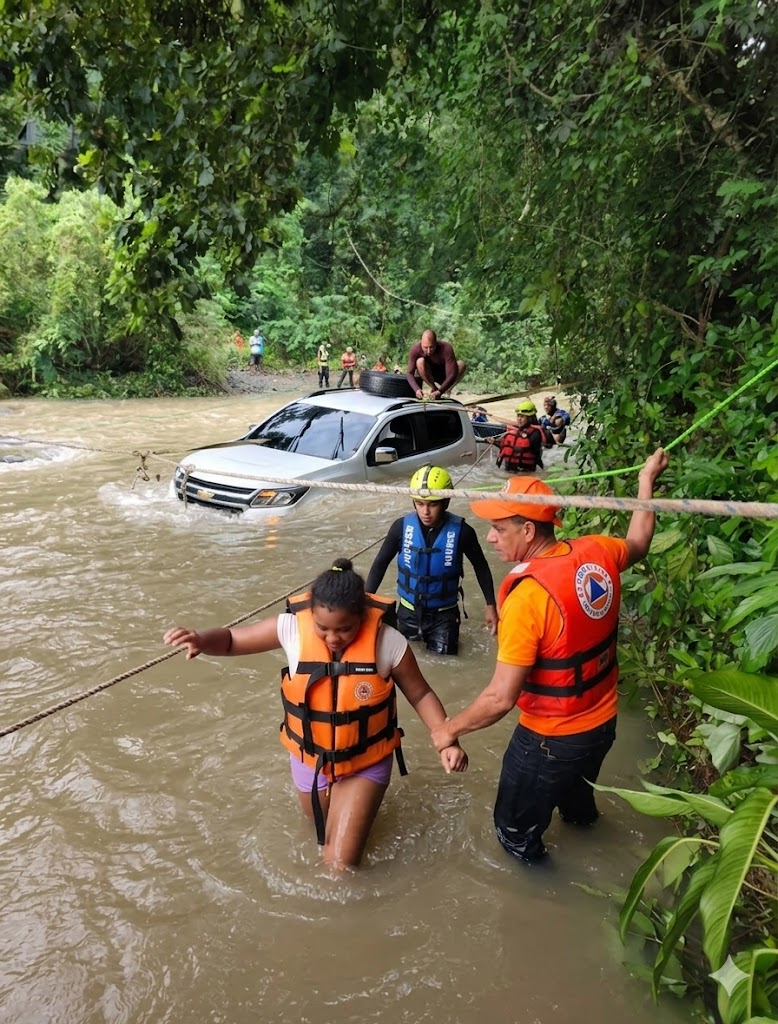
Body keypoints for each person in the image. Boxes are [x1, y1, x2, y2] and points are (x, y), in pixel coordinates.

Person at [430, 451, 669, 864]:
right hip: (600, 725)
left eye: (498, 528)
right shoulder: (598, 551)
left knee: (514, 836)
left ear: (527, 530)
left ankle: (545, 899)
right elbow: (641, 542)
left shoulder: (528, 597)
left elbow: (500, 699)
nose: (490, 537)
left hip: (549, 740)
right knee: (578, 812)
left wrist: (448, 730)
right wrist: (646, 479)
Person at [163, 559, 468, 870]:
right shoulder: (292, 627)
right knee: (320, 837)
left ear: (362, 617)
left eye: (344, 629)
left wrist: (446, 740)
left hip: (366, 760)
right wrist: (201, 640)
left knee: (340, 865)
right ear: (312, 616)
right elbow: (230, 641)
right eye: (322, 628)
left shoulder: (388, 641)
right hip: (311, 759)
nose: (332, 638)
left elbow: (421, 694)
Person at [365, 465, 498, 656]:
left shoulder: (463, 532)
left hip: (444, 616)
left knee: (445, 667)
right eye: (419, 503)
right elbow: (380, 563)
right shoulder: (400, 528)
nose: (425, 511)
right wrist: (365, 601)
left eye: (432, 504)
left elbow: (481, 567)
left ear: (446, 502)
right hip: (407, 612)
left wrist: (490, 605)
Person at [405, 329, 466, 400]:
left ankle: (447, 389)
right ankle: (434, 388)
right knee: (420, 361)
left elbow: (452, 374)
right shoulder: (415, 350)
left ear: (436, 343)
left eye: (431, 347)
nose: (428, 351)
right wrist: (417, 389)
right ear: (421, 343)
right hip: (429, 374)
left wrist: (440, 391)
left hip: (445, 374)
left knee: (461, 364)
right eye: (425, 347)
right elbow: (409, 373)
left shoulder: (446, 348)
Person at [495, 400, 550, 473]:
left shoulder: (536, 433)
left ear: (530, 418)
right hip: (509, 471)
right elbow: (506, 448)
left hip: (526, 472)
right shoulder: (513, 431)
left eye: (522, 416)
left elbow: (534, 451)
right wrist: (494, 442)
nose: (519, 419)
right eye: (518, 416)